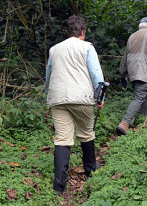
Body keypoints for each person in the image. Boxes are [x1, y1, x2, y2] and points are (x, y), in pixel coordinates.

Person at [45, 15, 105, 196]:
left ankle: (59, 187)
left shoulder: (54, 49)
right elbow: (96, 74)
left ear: (68, 31)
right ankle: (91, 171)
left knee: (62, 139)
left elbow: (48, 74)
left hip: (58, 98)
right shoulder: (87, 47)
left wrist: (49, 93)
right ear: (82, 32)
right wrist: (101, 97)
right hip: (82, 97)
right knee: (86, 133)